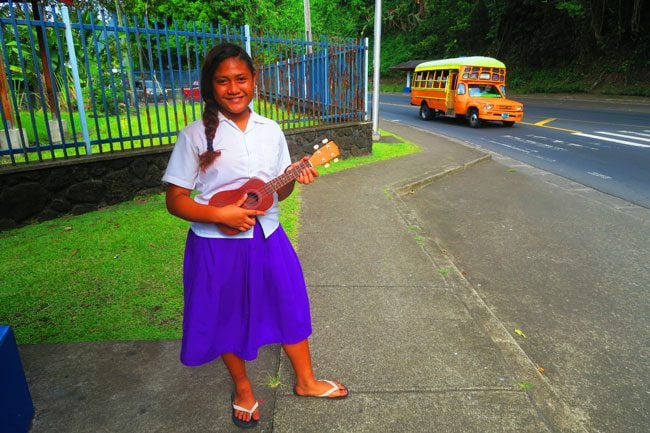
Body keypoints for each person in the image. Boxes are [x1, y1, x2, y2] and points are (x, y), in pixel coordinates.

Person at [162, 42, 348, 429]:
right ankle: (244, 390)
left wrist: (296, 176)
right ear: (210, 86)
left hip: (268, 236)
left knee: (291, 305)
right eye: (223, 81)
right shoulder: (195, 135)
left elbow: (277, 191)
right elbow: (176, 200)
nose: (234, 88)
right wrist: (220, 213)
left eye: (241, 79)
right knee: (226, 318)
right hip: (216, 247)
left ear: (254, 81)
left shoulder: (271, 130)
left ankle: (307, 382)